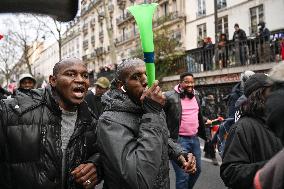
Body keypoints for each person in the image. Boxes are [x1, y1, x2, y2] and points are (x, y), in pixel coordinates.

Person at [96, 58, 196, 189]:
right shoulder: (109, 121)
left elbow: (162, 138)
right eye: (136, 77)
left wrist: (179, 153)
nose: (145, 81)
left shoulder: (151, 107)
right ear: (122, 86)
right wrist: (152, 113)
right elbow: (138, 179)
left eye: (147, 74)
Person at [0, 58, 100, 189]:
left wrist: (96, 165)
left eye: (85, 75)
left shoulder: (91, 119)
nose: (80, 79)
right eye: (71, 74)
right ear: (53, 81)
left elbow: (102, 154)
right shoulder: (12, 112)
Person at [220, 73, 283, 189]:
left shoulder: (279, 122)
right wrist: (272, 168)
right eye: (272, 91)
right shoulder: (242, 127)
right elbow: (230, 172)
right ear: (258, 95)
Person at [164, 72, 207, 189]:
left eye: (192, 82)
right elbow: (162, 116)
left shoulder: (197, 95)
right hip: (178, 140)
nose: (190, 84)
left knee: (196, 171)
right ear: (180, 82)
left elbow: (195, 114)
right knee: (182, 175)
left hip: (194, 139)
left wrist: (205, 120)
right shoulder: (169, 97)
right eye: (187, 82)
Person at [203, 94, 220, 165]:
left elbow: (216, 114)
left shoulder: (215, 106)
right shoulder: (203, 107)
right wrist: (207, 119)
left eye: (212, 100)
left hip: (214, 124)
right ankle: (213, 157)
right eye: (210, 100)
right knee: (210, 140)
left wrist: (218, 118)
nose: (212, 101)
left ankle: (207, 152)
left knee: (211, 139)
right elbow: (201, 115)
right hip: (207, 124)